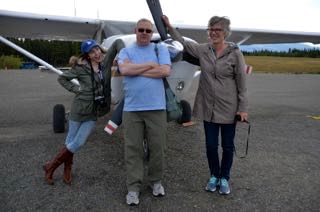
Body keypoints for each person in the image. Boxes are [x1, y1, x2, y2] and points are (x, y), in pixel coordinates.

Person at [163, 15, 249, 195]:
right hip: (208, 107)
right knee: (210, 146)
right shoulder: (203, 50)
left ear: (225, 32)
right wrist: (169, 27)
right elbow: (183, 43)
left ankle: (224, 178)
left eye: (217, 29)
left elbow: (242, 82)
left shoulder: (235, 53)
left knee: (227, 146)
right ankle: (214, 176)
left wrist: (242, 108)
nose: (213, 33)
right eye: (211, 29)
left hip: (229, 108)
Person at [43, 38, 123, 185]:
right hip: (78, 110)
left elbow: (117, 42)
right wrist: (77, 90)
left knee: (78, 142)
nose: (96, 53)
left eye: (97, 49)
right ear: (87, 55)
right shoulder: (81, 69)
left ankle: (50, 166)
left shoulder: (105, 65)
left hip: (93, 113)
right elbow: (62, 79)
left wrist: (126, 53)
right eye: (92, 52)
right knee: (70, 142)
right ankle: (63, 169)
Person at [117, 18, 171, 205]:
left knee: (158, 148)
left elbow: (164, 71)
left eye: (148, 31)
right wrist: (150, 65)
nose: (144, 33)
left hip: (157, 108)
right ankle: (133, 188)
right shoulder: (125, 50)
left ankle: (156, 181)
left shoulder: (160, 49)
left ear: (152, 33)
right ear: (135, 30)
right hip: (132, 109)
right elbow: (124, 69)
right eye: (141, 30)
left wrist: (136, 69)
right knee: (133, 150)